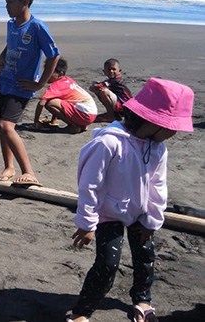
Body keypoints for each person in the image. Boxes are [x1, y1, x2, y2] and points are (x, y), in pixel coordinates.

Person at [66, 78, 194, 322]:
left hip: (140, 213)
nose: (175, 133)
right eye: (173, 126)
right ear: (153, 121)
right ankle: (82, 311)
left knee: (145, 257)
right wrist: (87, 222)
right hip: (108, 212)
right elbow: (89, 184)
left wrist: (152, 220)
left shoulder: (157, 148)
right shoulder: (109, 142)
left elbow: (158, 185)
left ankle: (143, 299)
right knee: (107, 264)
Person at [0, 0, 61, 186]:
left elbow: (53, 55)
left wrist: (40, 83)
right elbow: (11, 44)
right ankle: (9, 166)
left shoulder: (37, 27)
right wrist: (3, 55)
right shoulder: (11, 24)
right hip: (5, 81)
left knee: (7, 126)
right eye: (5, 1)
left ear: (25, 1)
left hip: (21, 86)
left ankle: (29, 171)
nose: (7, 6)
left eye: (10, 1)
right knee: (2, 126)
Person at [32, 57, 97, 134]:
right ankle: (82, 125)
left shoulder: (56, 85)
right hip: (91, 113)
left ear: (60, 74)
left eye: (50, 72)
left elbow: (41, 103)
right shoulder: (68, 80)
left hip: (85, 114)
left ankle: (73, 126)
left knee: (50, 103)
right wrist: (53, 121)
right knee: (56, 100)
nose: (46, 75)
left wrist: (36, 121)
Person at [90, 58, 133, 123]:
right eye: (109, 69)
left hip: (127, 107)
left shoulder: (117, 80)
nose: (111, 71)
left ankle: (111, 115)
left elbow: (100, 85)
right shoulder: (110, 80)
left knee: (103, 91)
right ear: (104, 72)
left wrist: (94, 86)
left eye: (114, 69)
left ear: (119, 71)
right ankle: (113, 113)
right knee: (99, 89)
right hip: (121, 105)